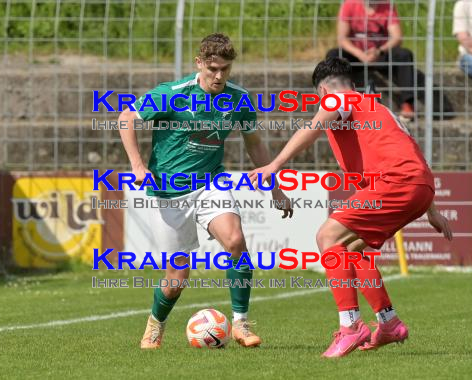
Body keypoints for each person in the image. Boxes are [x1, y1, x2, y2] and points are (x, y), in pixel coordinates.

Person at [249, 57, 453, 358]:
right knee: (352, 248)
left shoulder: (338, 98)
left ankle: (351, 327)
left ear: (322, 90)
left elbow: (314, 125)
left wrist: (275, 164)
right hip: (418, 186)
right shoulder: (378, 108)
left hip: (396, 182)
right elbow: (409, 153)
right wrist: (431, 210)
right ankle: (389, 322)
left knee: (327, 237)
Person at [118, 33, 292, 349]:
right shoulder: (173, 94)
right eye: (212, 68)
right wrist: (137, 166)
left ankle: (240, 323)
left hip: (212, 184)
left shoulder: (238, 100)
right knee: (176, 280)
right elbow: (126, 117)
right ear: (199, 63)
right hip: (170, 192)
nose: (219, 75)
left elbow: (254, 143)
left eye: (225, 69)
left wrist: (276, 188)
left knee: (236, 240)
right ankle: (155, 324)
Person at [326, 0, 416, 121]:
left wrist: (379, 51)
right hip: (356, 55)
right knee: (333, 55)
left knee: (404, 55)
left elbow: (396, 37)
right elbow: (342, 39)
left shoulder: (387, 6)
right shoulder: (349, 4)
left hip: (379, 55)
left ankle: (407, 104)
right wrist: (360, 54)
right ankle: (336, 102)